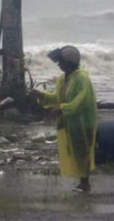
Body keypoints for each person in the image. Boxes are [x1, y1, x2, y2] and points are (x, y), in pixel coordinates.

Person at [29, 45, 97, 193]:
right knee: (74, 151)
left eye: (61, 62)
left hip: (83, 122)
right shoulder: (62, 79)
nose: (59, 65)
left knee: (82, 152)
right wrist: (42, 95)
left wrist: (62, 108)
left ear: (70, 62)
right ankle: (82, 182)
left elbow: (80, 101)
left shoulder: (81, 79)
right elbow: (57, 97)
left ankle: (85, 183)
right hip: (70, 121)